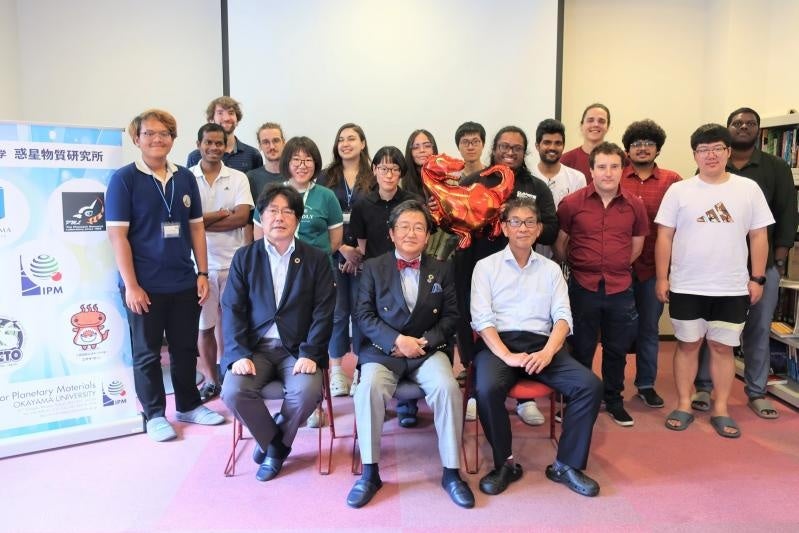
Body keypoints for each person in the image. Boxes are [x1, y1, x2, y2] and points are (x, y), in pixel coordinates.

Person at [471, 197, 602, 497]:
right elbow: (482, 319)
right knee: (487, 389)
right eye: (515, 222)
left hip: (543, 346)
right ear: (504, 228)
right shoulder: (485, 267)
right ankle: (505, 464)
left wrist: (547, 352)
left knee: (589, 386)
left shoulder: (551, 270)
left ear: (539, 228)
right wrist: (507, 356)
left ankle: (566, 465)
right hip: (499, 346)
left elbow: (563, 317)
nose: (523, 228)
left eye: (530, 222)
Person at [106, 109, 225, 442]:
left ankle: (188, 405)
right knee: (147, 353)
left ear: (173, 139)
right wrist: (131, 285)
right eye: (149, 133)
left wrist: (202, 272)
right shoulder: (124, 179)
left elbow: (196, 228)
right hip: (143, 285)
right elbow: (117, 236)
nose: (157, 139)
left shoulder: (184, 177)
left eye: (164, 133)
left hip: (183, 280)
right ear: (137, 138)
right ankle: (155, 414)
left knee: (185, 348)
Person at [347, 200, 473, 509]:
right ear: (391, 233)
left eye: (419, 227)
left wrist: (424, 342)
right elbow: (363, 315)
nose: (411, 233)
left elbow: (451, 317)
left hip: (427, 351)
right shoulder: (373, 267)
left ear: (428, 236)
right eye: (404, 226)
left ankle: (452, 473)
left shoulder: (442, 269)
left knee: (447, 387)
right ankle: (370, 474)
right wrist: (397, 341)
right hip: (383, 351)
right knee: (368, 388)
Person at [656, 123, 774, 438]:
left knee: (723, 348)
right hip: (686, 284)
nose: (711, 155)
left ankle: (721, 408)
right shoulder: (679, 191)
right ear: (695, 154)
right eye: (703, 149)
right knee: (688, 345)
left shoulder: (748, 189)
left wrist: (758, 277)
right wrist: (662, 278)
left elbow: (759, 235)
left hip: (731, 286)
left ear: (728, 151)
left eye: (717, 148)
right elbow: (664, 236)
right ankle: (684, 403)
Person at [221, 184, 336, 481]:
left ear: (297, 219)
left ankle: (271, 447)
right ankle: (276, 447)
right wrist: (238, 353)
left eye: (287, 211)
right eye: (272, 210)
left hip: (297, 350)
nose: (279, 217)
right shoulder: (245, 257)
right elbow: (232, 308)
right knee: (233, 391)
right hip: (254, 349)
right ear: (261, 217)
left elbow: (324, 311)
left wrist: (311, 353)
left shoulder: (316, 259)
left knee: (307, 392)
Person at [693, 108, 797, 420]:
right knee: (709, 329)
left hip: (760, 267)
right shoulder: (711, 164)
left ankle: (756, 391)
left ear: (759, 130)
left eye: (750, 123)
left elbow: (787, 215)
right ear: (727, 130)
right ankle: (703, 386)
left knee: (758, 328)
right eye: (737, 123)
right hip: (717, 268)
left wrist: (777, 262)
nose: (743, 127)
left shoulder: (775, 167)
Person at [455, 125, 559, 427]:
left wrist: (518, 221)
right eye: (504, 146)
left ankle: (525, 400)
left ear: (525, 152)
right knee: (473, 326)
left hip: (522, 273)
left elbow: (551, 229)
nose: (510, 152)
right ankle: (475, 391)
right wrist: (485, 215)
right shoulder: (475, 182)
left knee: (521, 324)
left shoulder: (536, 187)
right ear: (494, 149)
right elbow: (455, 224)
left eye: (516, 148)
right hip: (475, 267)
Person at [554, 142, 648, 427]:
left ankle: (614, 400)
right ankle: (577, 400)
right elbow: (561, 245)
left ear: (622, 169)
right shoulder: (572, 203)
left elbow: (636, 247)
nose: (608, 173)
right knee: (581, 348)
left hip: (620, 288)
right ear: (592, 170)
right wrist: (583, 265)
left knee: (616, 349)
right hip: (582, 286)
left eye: (614, 166)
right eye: (602, 167)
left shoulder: (635, 205)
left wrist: (613, 265)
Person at [253, 136, 343, 427]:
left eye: (308, 160)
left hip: (316, 275)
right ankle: (290, 408)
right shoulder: (272, 194)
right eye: (296, 160)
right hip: (277, 272)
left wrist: (311, 260)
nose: (302, 165)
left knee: (315, 329)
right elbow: (259, 236)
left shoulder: (326, 196)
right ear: (286, 163)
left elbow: (335, 239)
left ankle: (313, 403)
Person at [350, 146, 421, 425]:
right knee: (370, 331)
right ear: (374, 170)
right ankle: (372, 395)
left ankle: (407, 404)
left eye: (394, 169)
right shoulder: (363, 204)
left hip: (408, 274)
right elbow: (362, 246)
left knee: (409, 328)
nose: (388, 174)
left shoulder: (413, 202)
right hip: (376, 277)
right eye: (383, 168)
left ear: (401, 173)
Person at [620, 119, 682, 409]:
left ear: (658, 148)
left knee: (648, 328)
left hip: (654, 269)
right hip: (620, 267)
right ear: (627, 150)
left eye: (648, 143)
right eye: (636, 143)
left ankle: (646, 384)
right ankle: (612, 386)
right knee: (617, 330)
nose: (642, 148)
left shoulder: (672, 181)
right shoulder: (617, 177)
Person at [190, 123, 254, 402]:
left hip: (234, 264)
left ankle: (231, 377)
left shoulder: (238, 178)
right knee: (204, 326)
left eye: (219, 143)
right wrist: (220, 214)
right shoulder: (186, 177)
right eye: (209, 142)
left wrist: (201, 222)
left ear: (226, 146)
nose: (214, 148)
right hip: (200, 267)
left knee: (233, 325)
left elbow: (242, 217)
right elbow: (187, 221)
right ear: (199, 145)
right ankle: (211, 381)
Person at [317, 123, 375, 396]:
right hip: (334, 253)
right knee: (337, 312)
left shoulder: (374, 175)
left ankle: (363, 368)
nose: (346, 143)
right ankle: (337, 370)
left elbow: (378, 215)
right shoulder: (325, 177)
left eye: (352, 138)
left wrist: (359, 253)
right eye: (341, 139)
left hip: (366, 254)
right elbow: (320, 217)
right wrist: (342, 248)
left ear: (362, 143)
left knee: (364, 313)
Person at [530, 118, 587, 258]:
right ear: (537, 146)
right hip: (530, 253)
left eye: (558, 143)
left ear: (563, 146)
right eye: (547, 142)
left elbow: (580, 222)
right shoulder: (526, 176)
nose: (552, 147)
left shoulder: (577, 178)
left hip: (565, 254)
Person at [186, 96, 262, 173]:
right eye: (220, 113)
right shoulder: (195, 157)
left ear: (237, 119)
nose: (226, 118)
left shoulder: (253, 154)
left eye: (231, 113)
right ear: (212, 119)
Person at [561, 103, 611, 182]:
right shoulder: (565, 160)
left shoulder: (620, 159)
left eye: (601, 121)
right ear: (582, 125)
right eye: (590, 120)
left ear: (607, 127)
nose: (596, 124)